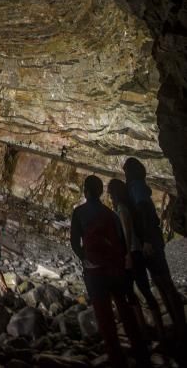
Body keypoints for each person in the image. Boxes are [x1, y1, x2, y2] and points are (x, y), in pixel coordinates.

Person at [70, 175, 150, 368]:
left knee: (105, 318)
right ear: (100, 192)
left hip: (95, 272)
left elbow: (74, 242)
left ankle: (116, 359)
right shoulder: (111, 215)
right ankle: (141, 353)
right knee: (125, 311)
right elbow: (122, 243)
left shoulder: (79, 212)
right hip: (115, 270)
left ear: (86, 192)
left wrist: (85, 258)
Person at [123, 157, 186, 344]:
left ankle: (181, 327)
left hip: (150, 242)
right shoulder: (138, 186)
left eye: (126, 170)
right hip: (150, 240)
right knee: (161, 282)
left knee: (164, 282)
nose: (125, 173)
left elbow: (145, 213)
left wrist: (148, 241)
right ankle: (177, 325)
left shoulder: (136, 187)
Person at [107, 178, 165, 340]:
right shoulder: (129, 206)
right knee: (143, 291)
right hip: (136, 252)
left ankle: (143, 330)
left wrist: (127, 254)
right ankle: (157, 330)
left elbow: (127, 231)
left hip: (132, 253)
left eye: (111, 193)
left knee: (133, 293)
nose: (110, 196)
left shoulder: (122, 208)